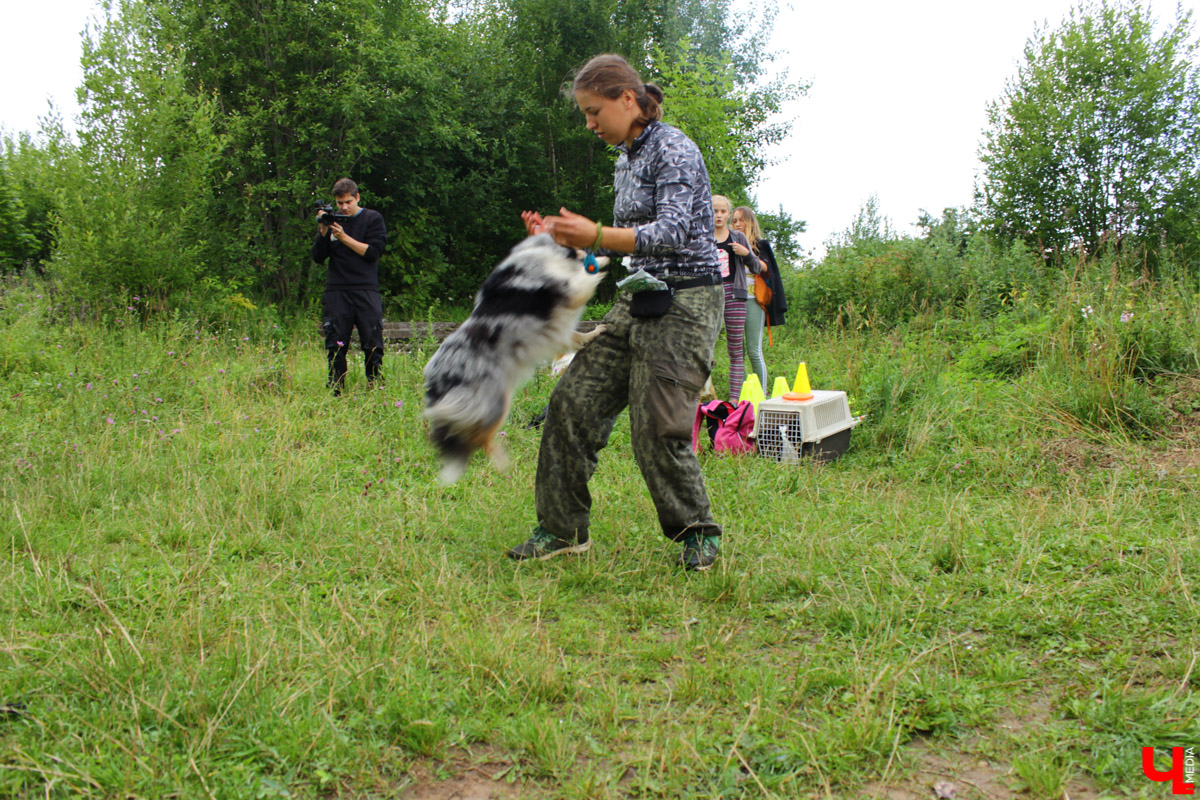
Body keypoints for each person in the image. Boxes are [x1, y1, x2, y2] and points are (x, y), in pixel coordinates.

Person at [511, 53, 726, 571]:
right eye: (584, 114)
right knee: (570, 403)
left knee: (658, 425)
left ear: (627, 99)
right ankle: (562, 531)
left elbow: (672, 234)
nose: (589, 124)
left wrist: (598, 233)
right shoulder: (626, 160)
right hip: (636, 298)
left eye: (593, 111)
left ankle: (697, 532)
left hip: (687, 301)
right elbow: (622, 251)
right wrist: (561, 244)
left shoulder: (674, 149)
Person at [311, 178, 388, 394]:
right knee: (335, 346)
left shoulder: (373, 219)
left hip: (365, 289)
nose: (343, 207)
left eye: (347, 202)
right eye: (339, 203)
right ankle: (336, 392)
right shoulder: (332, 221)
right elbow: (318, 257)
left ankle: (375, 389)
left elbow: (373, 252)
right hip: (337, 291)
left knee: (372, 344)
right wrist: (323, 230)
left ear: (357, 198)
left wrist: (343, 237)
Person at [733, 205, 787, 390]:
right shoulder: (729, 244)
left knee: (753, 350)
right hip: (733, 300)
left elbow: (766, 268)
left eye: (741, 220)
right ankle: (738, 399)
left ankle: (761, 397)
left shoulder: (759, 245)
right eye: (734, 221)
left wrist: (747, 254)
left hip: (753, 300)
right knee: (736, 353)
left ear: (750, 222)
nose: (737, 224)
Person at [712, 195, 760, 401]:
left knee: (735, 349)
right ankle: (698, 396)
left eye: (723, 211)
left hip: (734, 293)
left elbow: (757, 267)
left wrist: (745, 254)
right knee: (702, 349)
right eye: (715, 211)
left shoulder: (737, 238)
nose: (719, 215)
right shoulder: (702, 238)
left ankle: (734, 399)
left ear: (728, 214)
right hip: (709, 295)